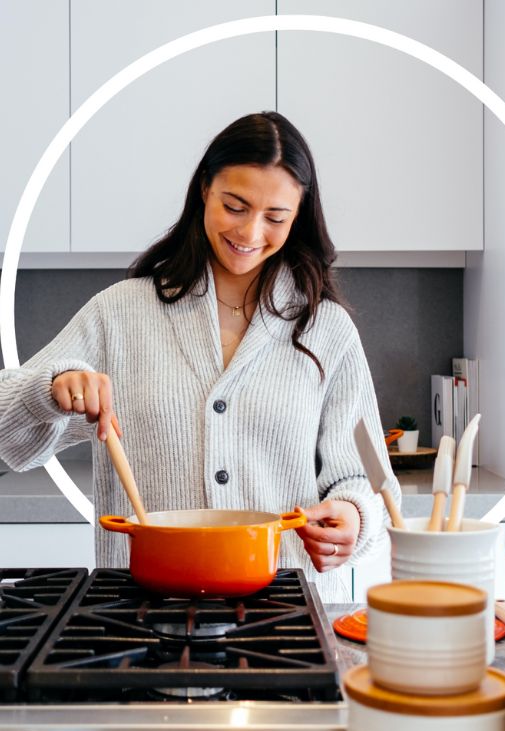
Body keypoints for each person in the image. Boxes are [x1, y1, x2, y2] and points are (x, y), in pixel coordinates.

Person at [0, 111, 400, 601]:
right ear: (204, 190)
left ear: (298, 218)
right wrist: (51, 390)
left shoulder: (326, 329)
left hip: (290, 617)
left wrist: (353, 516)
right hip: (144, 613)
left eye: (276, 217)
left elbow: (369, 480)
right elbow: (5, 433)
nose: (252, 233)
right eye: (235, 206)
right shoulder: (121, 314)